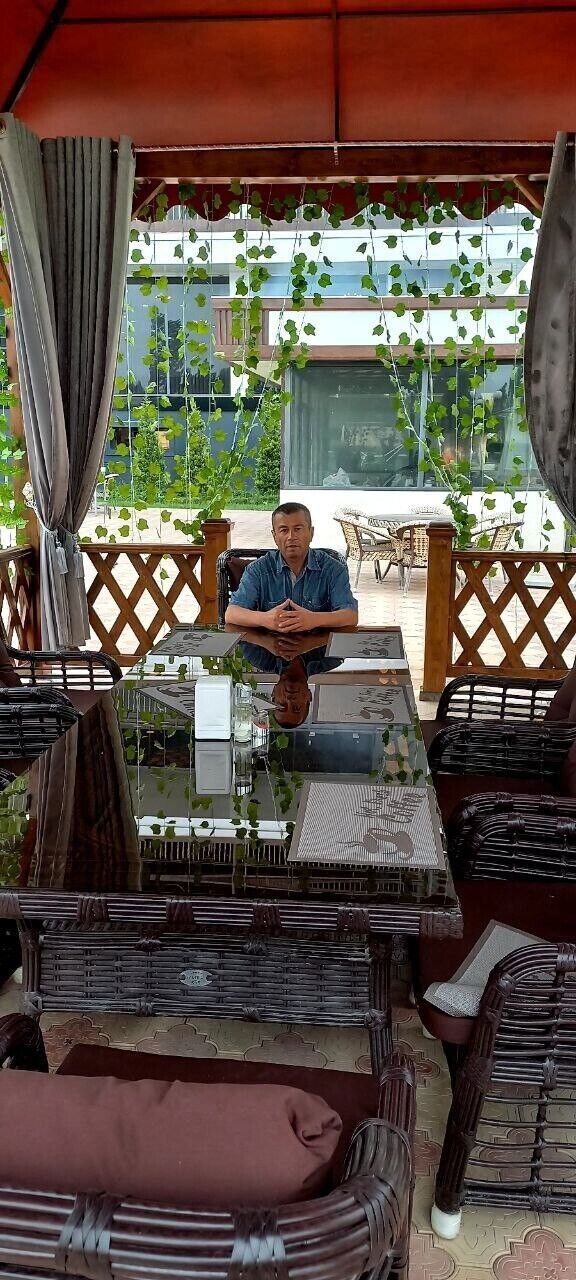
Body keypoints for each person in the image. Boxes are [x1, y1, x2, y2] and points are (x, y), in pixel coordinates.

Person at [224, 502, 358, 632]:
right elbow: (231, 613)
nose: (291, 537)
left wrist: (314, 619)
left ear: (311, 533)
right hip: (269, 644)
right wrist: (266, 619)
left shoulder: (333, 569)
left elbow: (350, 615)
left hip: (319, 645)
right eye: (284, 530)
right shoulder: (258, 569)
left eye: (298, 529)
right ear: (274, 536)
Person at [238, 631, 343, 728]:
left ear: (274, 692)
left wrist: (264, 640)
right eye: (296, 707)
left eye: (282, 705)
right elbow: (348, 632)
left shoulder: (259, 658)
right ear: (309, 696)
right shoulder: (331, 660)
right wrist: (312, 642)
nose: (289, 700)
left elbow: (236, 630)